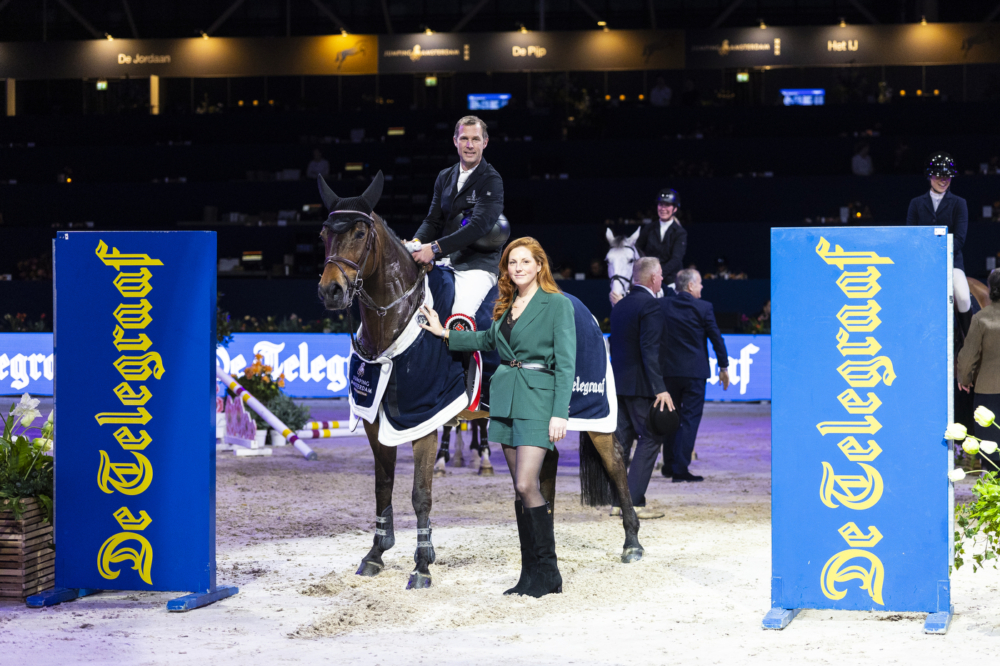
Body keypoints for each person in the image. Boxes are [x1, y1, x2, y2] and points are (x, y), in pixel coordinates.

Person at [419, 237, 574, 598]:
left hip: (538, 400)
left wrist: (560, 413)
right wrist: (445, 332)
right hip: (505, 401)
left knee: (526, 485)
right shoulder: (507, 303)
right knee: (518, 490)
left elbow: (567, 364)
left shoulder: (557, 304)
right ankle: (529, 573)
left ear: (539, 265)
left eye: (525, 261)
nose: (518, 268)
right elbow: (488, 340)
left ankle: (549, 572)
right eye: (512, 262)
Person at [412, 115, 505, 331]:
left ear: (485, 142)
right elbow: (433, 220)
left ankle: (466, 355)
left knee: (459, 317)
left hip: (477, 265)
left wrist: (434, 248)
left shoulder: (492, 180)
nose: (469, 145)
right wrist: (416, 243)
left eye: (475, 139)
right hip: (446, 260)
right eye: (464, 138)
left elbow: (478, 227)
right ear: (455, 141)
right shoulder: (444, 176)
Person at [609, 257, 675, 518]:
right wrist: (660, 388)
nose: (662, 279)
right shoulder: (651, 305)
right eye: (660, 275)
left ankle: (617, 502)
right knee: (651, 437)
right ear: (653, 278)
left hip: (619, 384)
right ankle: (633, 503)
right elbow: (649, 349)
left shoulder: (621, 305)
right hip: (641, 386)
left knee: (622, 443)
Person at [659, 268, 729, 482]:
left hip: (668, 372)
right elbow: (716, 339)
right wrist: (724, 367)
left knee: (670, 418)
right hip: (694, 374)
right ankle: (680, 469)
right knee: (689, 420)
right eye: (699, 283)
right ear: (690, 286)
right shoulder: (704, 307)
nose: (702, 287)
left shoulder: (662, 305)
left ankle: (669, 465)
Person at [907, 152, 972, 329]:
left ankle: (969, 342)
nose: (944, 180)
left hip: (951, 263)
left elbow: (959, 239)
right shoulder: (916, 203)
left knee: (963, 297)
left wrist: (938, 255)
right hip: (923, 262)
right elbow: (911, 236)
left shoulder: (959, 203)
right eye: (939, 176)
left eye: (948, 176)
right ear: (929, 176)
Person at [958, 269, 1000, 471]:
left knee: (991, 453)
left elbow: (968, 356)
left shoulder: (981, 318)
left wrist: (964, 379)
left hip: (988, 391)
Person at [636, 189, 687, 291]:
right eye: (660, 204)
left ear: (675, 208)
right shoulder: (649, 228)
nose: (663, 208)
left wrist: (658, 274)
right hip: (649, 279)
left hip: (670, 280)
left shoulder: (680, 232)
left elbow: (676, 259)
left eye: (667, 205)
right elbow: (637, 248)